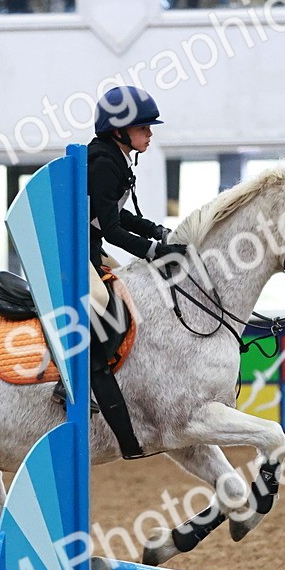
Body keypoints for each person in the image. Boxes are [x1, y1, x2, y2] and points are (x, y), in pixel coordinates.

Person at [52, 85, 187, 407]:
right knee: (102, 299)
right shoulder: (103, 163)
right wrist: (154, 252)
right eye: (142, 128)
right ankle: (69, 380)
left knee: (128, 282)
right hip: (70, 248)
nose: (149, 134)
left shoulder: (113, 157)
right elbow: (112, 231)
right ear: (118, 131)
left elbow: (113, 213)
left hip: (87, 243)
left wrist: (154, 230)